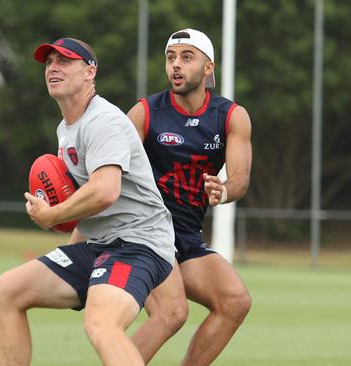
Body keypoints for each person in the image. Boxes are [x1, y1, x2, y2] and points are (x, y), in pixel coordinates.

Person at [0, 37, 177, 366]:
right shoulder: (67, 129)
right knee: (5, 291)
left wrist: (51, 216)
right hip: (100, 246)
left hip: (138, 245)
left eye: (64, 61)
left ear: (90, 71)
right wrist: (66, 254)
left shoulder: (104, 121)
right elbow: (91, 213)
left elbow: (105, 191)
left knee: (102, 323)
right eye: (49, 63)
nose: (53, 68)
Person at [127, 28, 253, 365]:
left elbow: (240, 179)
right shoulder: (144, 112)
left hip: (185, 236)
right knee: (170, 314)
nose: (176, 66)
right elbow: (110, 170)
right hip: (146, 235)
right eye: (171, 58)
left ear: (208, 68)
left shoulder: (230, 116)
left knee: (235, 302)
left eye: (186, 57)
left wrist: (224, 190)